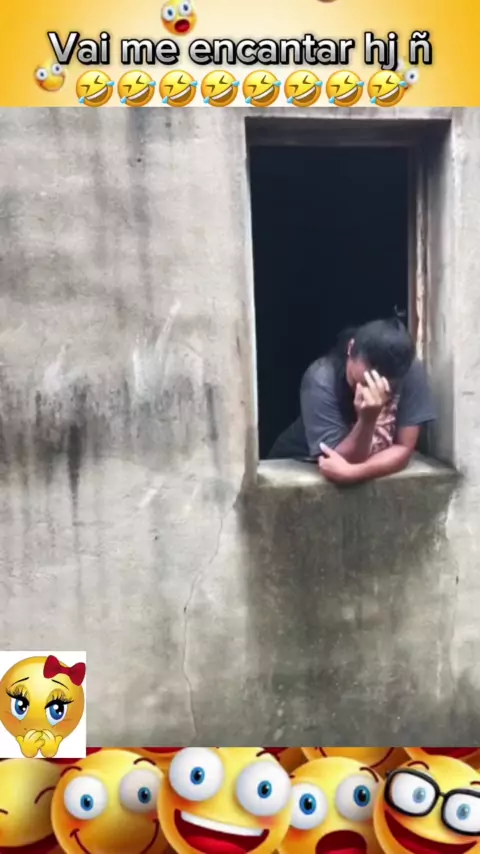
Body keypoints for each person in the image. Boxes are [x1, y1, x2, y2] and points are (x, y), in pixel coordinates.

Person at [268, 318, 436, 484]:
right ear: (350, 348)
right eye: (363, 380)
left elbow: (404, 448)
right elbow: (337, 461)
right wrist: (367, 419)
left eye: (385, 383)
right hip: (295, 461)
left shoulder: (408, 370)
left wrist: (355, 473)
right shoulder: (322, 378)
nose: (371, 388)